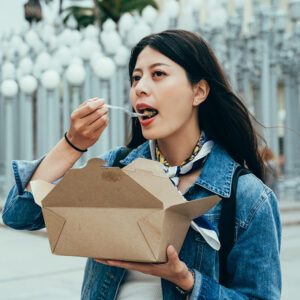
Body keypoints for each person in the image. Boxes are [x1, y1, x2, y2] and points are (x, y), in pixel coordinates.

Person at [2, 29, 281, 299]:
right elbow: (18, 215)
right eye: (136, 78)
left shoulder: (247, 197)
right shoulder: (115, 169)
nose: (140, 88)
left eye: (158, 74)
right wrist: (72, 144)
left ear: (199, 92)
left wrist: (184, 279)